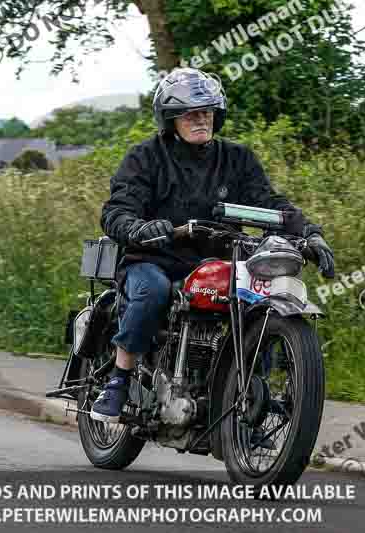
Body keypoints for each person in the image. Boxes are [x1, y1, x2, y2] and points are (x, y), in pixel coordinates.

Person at [90, 67, 335, 424]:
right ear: (170, 118)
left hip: (217, 262)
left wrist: (310, 235)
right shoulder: (145, 157)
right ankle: (119, 379)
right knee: (153, 292)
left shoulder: (237, 160)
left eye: (206, 112)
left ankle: (244, 387)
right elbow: (117, 211)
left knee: (257, 298)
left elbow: (270, 203)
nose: (200, 119)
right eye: (190, 113)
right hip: (154, 259)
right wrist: (141, 228)